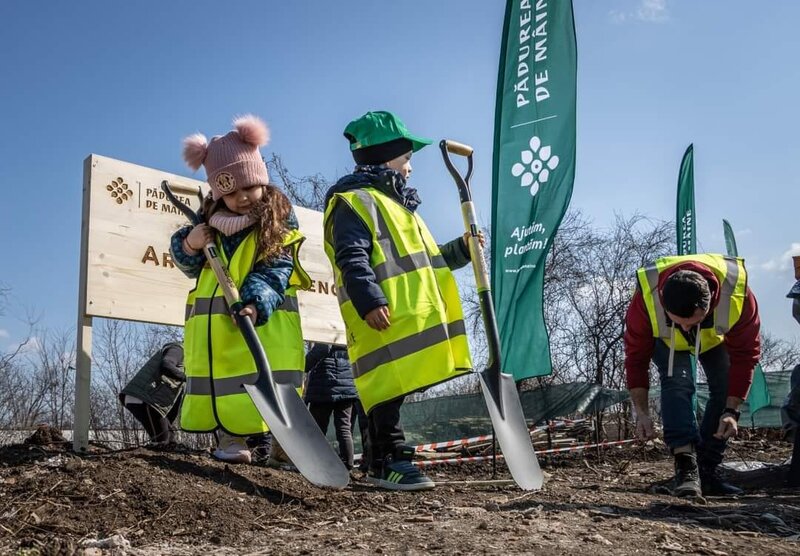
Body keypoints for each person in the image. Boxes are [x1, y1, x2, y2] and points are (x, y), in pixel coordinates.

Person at [322, 111, 477, 491]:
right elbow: (351, 257)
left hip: (407, 318)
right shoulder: (353, 202)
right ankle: (390, 459)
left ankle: (379, 462)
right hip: (381, 315)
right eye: (407, 159)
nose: (410, 168)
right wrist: (369, 300)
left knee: (392, 391)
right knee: (384, 393)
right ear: (386, 157)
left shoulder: (400, 208)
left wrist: (462, 250)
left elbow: (428, 261)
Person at [170, 115, 310, 464]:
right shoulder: (208, 227)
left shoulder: (276, 224)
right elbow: (188, 267)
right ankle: (231, 440)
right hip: (219, 328)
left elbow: (276, 267)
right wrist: (190, 244)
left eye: (249, 188)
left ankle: (280, 445)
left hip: (262, 320)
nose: (242, 198)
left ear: (261, 180)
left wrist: (255, 302)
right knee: (227, 384)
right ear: (218, 194)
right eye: (230, 193)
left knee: (266, 380)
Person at [625, 254, 761, 497]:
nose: (686, 329)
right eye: (678, 321)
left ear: (709, 305)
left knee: (725, 384)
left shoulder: (739, 296)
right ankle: (686, 466)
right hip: (668, 344)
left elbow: (746, 355)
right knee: (677, 383)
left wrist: (732, 411)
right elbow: (636, 359)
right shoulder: (645, 302)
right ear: (665, 305)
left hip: (715, 341)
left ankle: (707, 468)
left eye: (693, 322)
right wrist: (642, 413)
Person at [304, 343, 359, 469]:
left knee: (317, 428)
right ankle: (347, 464)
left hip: (324, 383)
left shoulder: (327, 328)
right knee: (344, 427)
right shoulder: (345, 331)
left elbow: (321, 349)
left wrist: (302, 366)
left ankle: (314, 463)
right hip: (347, 382)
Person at [120, 342, 185, 447]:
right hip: (144, 398)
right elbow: (166, 365)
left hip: (153, 402)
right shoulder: (179, 349)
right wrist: (187, 378)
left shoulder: (189, 361)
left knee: (170, 440)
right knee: (162, 441)